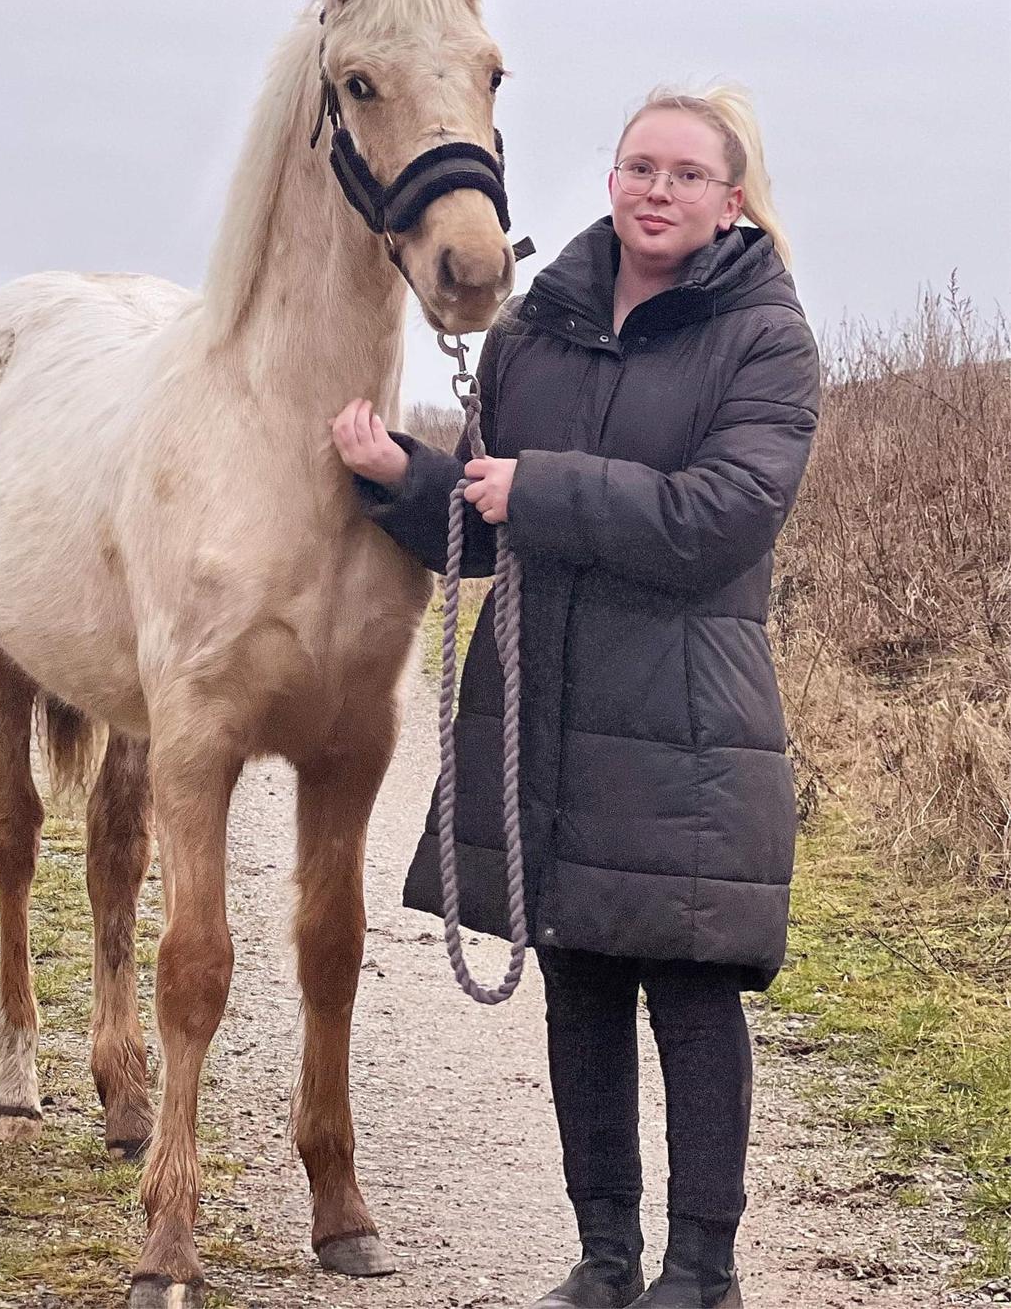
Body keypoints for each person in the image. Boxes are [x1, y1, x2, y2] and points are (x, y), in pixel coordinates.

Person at [330, 85, 820, 1309]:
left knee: (692, 996)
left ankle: (700, 1271)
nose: (657, 190)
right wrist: (401, 476)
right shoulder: (533, 329)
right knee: (582, 990)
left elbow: (719, 520)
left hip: (687, 723)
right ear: (610, 179)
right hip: (541, 705)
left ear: (730, 201)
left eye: (686, 175)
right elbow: (487, 521)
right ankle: (605, 1260)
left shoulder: (765, 339)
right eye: (638, 166)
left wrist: (537, 488)